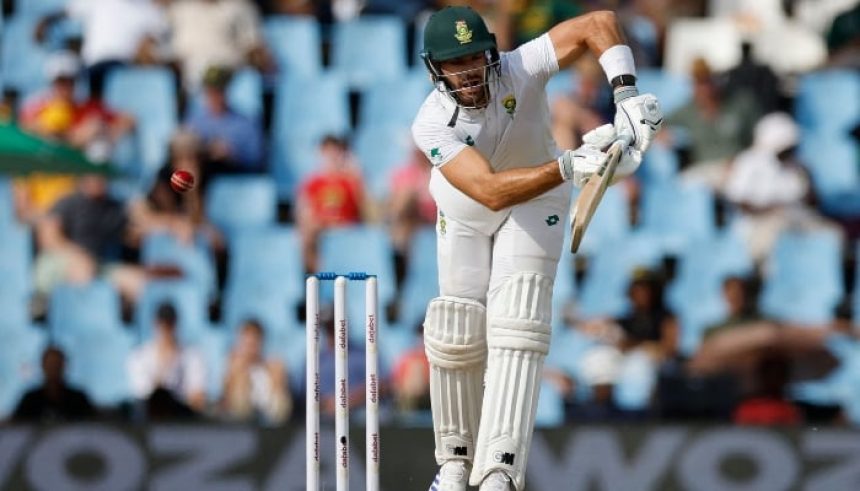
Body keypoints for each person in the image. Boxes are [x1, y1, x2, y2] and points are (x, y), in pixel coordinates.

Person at [412, 6, 662, 490]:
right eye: (453, 63)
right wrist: (571, 165)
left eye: (473, 58)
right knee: (458, 327)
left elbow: (597, 23)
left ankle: (499, 472)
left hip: (538, 200)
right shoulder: (431, 123)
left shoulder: (520, 66)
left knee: (517, 327)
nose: (466, 72)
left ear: (490, 52)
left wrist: (625, 92)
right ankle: (454, 466)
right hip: (468, 207)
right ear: (435, 68)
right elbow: (487, 190)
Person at [295, 135, 366, 272]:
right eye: (327, 152)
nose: (331, 157)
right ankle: (320, 274)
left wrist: (358, 176)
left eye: (335, 152)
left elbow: (365, 210)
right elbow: (303, 210)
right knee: (305, 231)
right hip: (320, 229)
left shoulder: (351, 181)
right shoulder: (312, 183)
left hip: (347, 227)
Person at [127, 303, 207, 414]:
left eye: (170, 324)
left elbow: (197, 398)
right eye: (162, 324)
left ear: (176, 324)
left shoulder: (192, 355)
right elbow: (146, 396)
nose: (166, 329)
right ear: (155, 324)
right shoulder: (139, 356)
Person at [185, 66, 264, 173]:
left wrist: (232, 154)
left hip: (231, 173)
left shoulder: (245, 124)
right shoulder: (194, 121)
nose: (214, 97)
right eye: (210, 92)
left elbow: (257, 159)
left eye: (218, 91)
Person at [220, 320, 291, 424]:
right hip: (240, 423)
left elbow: (282, 408)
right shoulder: (233, 366)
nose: (250, 348)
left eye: (254, 343)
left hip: (270, 420)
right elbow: (227, 401)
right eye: (247, 343)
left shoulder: (273, 366)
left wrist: (277, 381)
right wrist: (237, 373)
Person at [12, 347, 95, 423]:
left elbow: (93, 425)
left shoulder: (78, 399)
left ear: (64, 366)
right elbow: (16, 426)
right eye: (50, 365)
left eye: (57, 364)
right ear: (43, 366)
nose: (54, 369)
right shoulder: (30, 400)